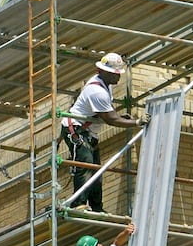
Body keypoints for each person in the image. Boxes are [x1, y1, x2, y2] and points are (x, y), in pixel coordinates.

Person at [61, 52, 148, 212]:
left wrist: (122, 117)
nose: (118, 78)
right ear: (105, 72)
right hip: (76, 129)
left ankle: (96, 207)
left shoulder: (105, 86)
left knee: (96, 170)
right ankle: (78, 203)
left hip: (88, 132)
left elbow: (109, 114)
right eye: (116, 74)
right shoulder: (97, 91)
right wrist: (135, 122)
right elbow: (111, 119)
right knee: (85, 164)